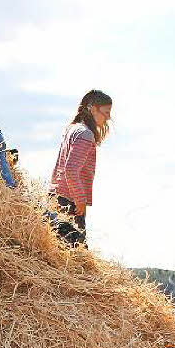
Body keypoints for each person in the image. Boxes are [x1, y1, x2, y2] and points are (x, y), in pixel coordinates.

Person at [49, 90, 113, 248]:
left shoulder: (72, 129)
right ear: (92, 109)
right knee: (78, 256)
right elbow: (70, 170)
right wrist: (80, 201)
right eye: (105, 113)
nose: (108, 118)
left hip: (56, 197)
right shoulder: (85, 134)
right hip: (70, 201)